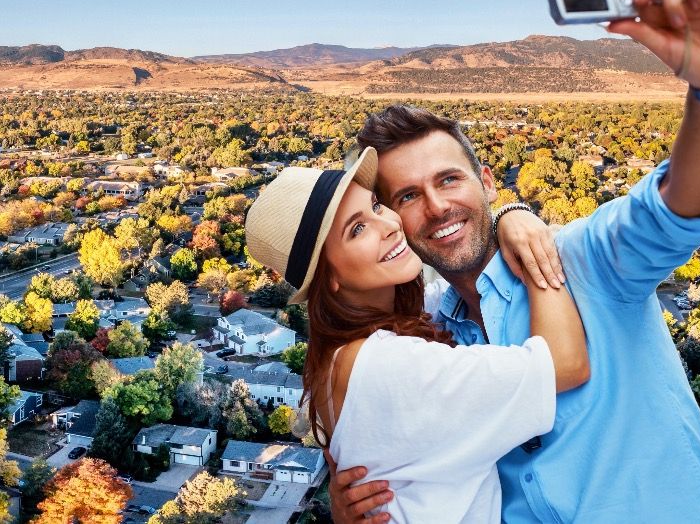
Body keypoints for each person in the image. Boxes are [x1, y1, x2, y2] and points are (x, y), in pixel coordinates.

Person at [330, 0, 700, 523]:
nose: (435, 207)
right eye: (407, 195)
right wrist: (347, 507)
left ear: (488, 184)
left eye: (450, 180)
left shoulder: (587, 261)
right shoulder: (427, 338)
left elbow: (681, 203)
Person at [244, 145, 590, 523]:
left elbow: (455, 292)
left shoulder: (340, 357)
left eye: (376, 206)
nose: (389, 225)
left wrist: (504, 215)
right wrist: (534, 244)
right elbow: (564, 364)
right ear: (332, 278)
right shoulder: (389, 367)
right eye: (357, 229)